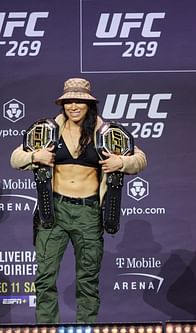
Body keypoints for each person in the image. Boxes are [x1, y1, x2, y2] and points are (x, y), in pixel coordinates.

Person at [10, 78, 147, 323]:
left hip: (89, 213)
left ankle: (85, 329)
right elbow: (15, 158)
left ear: (89, 104)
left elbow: (141, 160)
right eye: (68, 101)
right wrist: (35, 155)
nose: (73, 106)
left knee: (87, 280)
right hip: (53, 211)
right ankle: (46, 330)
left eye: (79, 101)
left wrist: (122, 162)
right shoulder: (48, 129)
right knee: (45, 278)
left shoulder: (106, 132)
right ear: (62, 104)